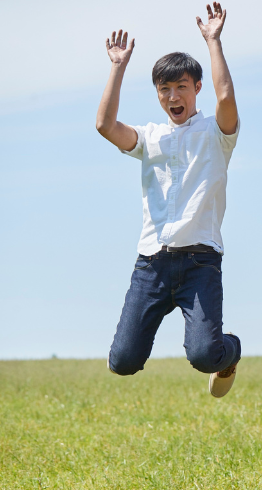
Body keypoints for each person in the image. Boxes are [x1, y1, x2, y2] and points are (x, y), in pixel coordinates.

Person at [96, 3, 241, 398]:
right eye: (165, 89)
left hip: (200, 262)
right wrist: (118, 66)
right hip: (152, 263)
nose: (173, 96)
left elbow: (225, 95)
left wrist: (214, 42)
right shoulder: (149, 137)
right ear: (158, 94)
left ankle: (230, 353)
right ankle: (213, 352)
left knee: (204, 355)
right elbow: (105, 126)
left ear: (196, 88)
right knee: (122, 361)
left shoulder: (216, 133)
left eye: (181, 87)